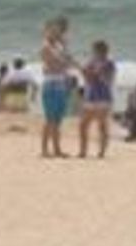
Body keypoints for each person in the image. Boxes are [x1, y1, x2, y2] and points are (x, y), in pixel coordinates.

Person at [39, 17, 74, 158]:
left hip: (60, 84)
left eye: (57, 31)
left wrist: (65, 57)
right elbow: (58, 63)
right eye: (52, 31)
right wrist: (65, 60)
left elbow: (66, 62)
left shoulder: (59, 46)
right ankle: (45, 150)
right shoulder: (46, 46)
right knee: (50, 119)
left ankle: (57, 149)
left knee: (58, 121)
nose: (56, 33)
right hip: (51, 85)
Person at [79, 40, 117, 159]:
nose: (93, 52)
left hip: (103, 96)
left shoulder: (109, 63)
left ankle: (101, 152)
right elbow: (87, 78)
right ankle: (83, 151)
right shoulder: (91, 62)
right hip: (91, 95)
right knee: (83, 125)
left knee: (101, 125)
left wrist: (96, 74)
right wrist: (86, 73)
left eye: (94, 50)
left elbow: (109, 80)